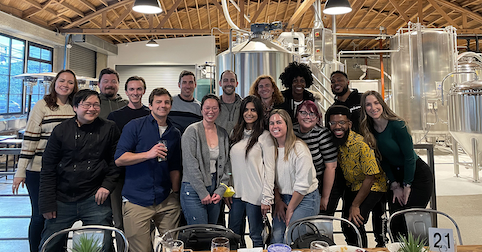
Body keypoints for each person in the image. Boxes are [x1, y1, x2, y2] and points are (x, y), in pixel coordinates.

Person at [38, 89, 120, 252]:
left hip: (94, 198)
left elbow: (115, 162)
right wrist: (47, 203)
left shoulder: (109, 128)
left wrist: (107, 186)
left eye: (96, 104)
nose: (92, 108)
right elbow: (48, 168)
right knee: (49, 245)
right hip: (62, 198)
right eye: (87, 104)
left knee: (101, 245)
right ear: (75, 107)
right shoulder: (61, 130)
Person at [11, 70, 78, 252]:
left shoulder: (75, 106)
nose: (65, 85)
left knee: (60, 216)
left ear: (75, 86)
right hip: (39, 170)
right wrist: (20, 171)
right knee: (40, 216)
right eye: (62, 81)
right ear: (55, 83)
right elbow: (30, 139)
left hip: (65, 172)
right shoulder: (42, 106)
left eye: (70, 82)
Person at [359, 90, 434, 240]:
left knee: (411, 220)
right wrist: (394, 185)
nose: (373, 107)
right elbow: (382, 159)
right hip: (396, 176)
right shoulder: (369, 130)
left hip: (416, 175)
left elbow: (409, 158)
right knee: (395, 222)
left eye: (376, 103)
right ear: (364, 108)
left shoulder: (397, 125)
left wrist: (406, 185)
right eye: (368, 104)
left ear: (382, 104)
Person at [115, 88, 182, 252]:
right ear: (150, 105)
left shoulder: (174, 132)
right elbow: (119, 159)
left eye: (166, 102)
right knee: (140, 249)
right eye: (158, 102)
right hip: (137, 199)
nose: (163, 105)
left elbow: (175, 166)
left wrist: (175, 192)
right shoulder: (135, 126)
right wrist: (148, 154)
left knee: (173, 248)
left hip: (166, 199)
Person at [331, 71, 387, 247]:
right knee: (348, 223)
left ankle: (380, 245)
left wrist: (355, 204)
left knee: (364, 217)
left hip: (374, 179)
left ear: (348, 81)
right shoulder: (336, 140)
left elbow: (371, 177)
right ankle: (357, 248)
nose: (336, 83)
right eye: (332, 81)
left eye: (339, 79)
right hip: (354, 182)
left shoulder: (362, 99)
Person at [107, 76, 151, 251]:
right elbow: (111, 148)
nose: (135, 93)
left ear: (144, 91)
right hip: (119, 175)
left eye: (139, 89)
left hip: (143, 176)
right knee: (119, 221)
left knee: (145, 220)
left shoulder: (151, 114)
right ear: (126, 92)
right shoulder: (115, 116)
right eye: (131, 89)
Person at [226, 95, 275, 247]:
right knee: (233, 235)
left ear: (259, 113)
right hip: (236, 195)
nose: (249, 113)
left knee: (256, 235)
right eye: (246, 110)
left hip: (256, 196)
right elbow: (229, 166)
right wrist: (226, 190)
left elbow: (270, 168)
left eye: (253, 110)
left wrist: (267, 198)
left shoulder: (265, 136)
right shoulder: (235, 134)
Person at [269, 109, 320, 244]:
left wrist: (290, 209)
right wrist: (278, 201)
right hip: (282, 198)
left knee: (292, 237)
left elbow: (304, 184)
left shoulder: (299, 148)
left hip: (304, 197)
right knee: (277, 240)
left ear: (287, 125)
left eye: (279, 122)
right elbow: (270, 179)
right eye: (272, 123)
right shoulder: (270, 149)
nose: (275, 126)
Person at [180, 94, 231, 224]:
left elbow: (227, 165)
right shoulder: (192, 131)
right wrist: (202, 192)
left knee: (211, 230)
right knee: (200, 232)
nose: (211, 111)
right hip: (193, 188)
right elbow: (190, 165)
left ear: (219, 110)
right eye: (207, 108)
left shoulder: (223, 133)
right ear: (201, 109)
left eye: (214, 108)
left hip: (215, 188)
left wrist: (221, 190)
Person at [293, 100, 338, 214]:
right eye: (303, 112)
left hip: (317, 186)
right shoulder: (291, 132)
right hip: (293, 186)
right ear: (297, 115)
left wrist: (325, 197)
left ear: (318, 118)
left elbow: (331, 167)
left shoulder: (322, 134)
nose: (307, 117)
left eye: (312, 114)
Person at [215, 70, 242, 135]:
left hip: (239, 144)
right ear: (220, 83)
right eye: (225, 80)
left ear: (237, 83)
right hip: (217, 144)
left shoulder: (244, 105)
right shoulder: (214, 106)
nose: (229, 83)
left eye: (232, 81)